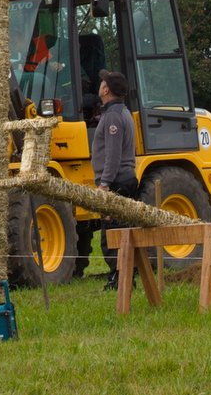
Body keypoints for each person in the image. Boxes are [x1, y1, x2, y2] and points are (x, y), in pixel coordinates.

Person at [91, 69, 138, 290]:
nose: (100, 84)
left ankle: (119, 280)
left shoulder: (112, 116)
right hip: (125, 179)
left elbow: (113, 154)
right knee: (124, 232)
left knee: (112, 235)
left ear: (107, 89)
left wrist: (104, 184)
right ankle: (126, 277)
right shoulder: (123, 112)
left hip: (116, 181)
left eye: (103, 82)